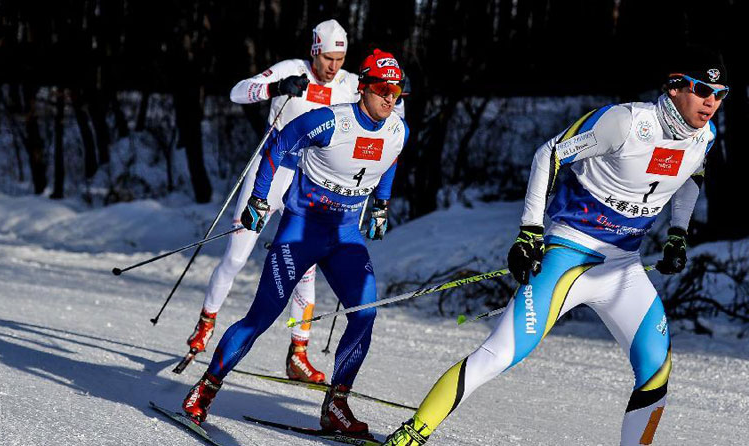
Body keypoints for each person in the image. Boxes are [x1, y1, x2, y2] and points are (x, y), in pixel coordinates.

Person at [383, 46, 727, 446]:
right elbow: (549, 154)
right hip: (570, 255)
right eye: (703, 89)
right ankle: (410, 435)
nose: (712, 102)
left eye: (721, 94)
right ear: (674, 87)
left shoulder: (705, 137)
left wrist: (677, 234)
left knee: (656, 368)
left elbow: (691, 177)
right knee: (499, 354)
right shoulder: (626, 123)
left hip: (623, 268)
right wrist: (530, 230)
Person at [181, 49, 408, 437]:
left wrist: (382, 205)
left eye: (398, 91)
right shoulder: (328, 121)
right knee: (263, 316)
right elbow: (278, 146)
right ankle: (206, 388)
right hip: (302, 230)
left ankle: (335, 406)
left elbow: (390, 160)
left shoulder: (397, 129)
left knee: (366, 313)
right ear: (364, 88)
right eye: (384, 89)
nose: (391, 98)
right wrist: (258, 199)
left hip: (346, 235)